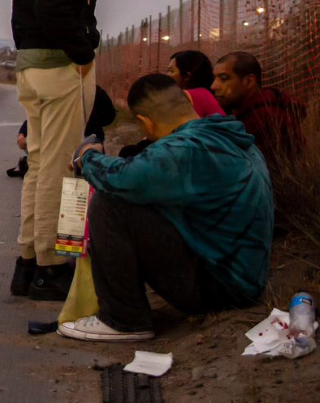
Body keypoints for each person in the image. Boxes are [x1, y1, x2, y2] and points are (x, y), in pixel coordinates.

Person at [56, 74, 273, 341]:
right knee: (136, 197)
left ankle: (124, 320)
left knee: (110, 202)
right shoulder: (226, 137)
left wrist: (88, 156)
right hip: (246, 278)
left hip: (222, 290)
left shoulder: (185, 149)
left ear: (146, 122)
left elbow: (121, 179)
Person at [9, 0, 143, 301]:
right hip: (60, 65)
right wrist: (83, 54)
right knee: (62, 167)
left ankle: (28, 263)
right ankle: (51, 269)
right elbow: (54, 7)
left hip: (32, 63)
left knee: (39, 163)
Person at [210, 51, 304, 177]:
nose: (214, 86)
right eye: (214, 78)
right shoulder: (254, 112)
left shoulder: (266, 119)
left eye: (224, 78)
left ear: (249, 81)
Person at [7, 86, 115, 178]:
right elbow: (110, 116)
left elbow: (38, 116)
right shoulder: (94, 90)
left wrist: (22, 133)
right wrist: (22, 133)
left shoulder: (58, 91)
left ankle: (33, 165)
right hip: (84, 141)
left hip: (68, 141)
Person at [166, 50, 224, 118]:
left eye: (171, 71)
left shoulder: (191, 96)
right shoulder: (206, 94)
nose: (167, 75)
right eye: (167, 70)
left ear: (186, 76)